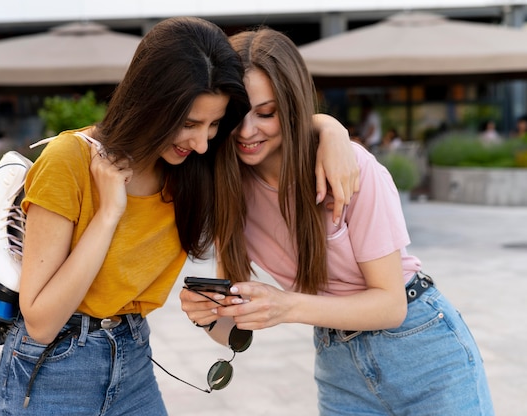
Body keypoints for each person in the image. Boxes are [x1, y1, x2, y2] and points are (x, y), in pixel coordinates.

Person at [0, 17, 358, 416]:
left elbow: (281, 122)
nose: (202, 142)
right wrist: (109, 213)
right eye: (188, 124)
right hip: (54, 371)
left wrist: (331, 130)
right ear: (152, 105)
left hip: (133, 359)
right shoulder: (70, 161)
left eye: (215, 124)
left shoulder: (194, 167)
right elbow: (41, 322)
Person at [181, 27, 494, 415]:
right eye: (235, 115)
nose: (247, 131)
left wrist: (287, 306)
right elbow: (233, 330)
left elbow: (390, 305)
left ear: (292, 106)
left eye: (266, 113)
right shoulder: (226, 187)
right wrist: (209, 316)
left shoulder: (349, 167)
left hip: (423, 349)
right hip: (337, 365)